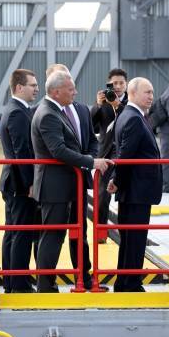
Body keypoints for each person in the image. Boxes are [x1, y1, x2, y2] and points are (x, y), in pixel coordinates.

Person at [31, 71, 112, 293]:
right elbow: (58, 150)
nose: (75, 92)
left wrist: (89, 158)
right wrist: (91, 162)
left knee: (74, 233)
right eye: (70, 89)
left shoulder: (56, 111)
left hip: (68, 184)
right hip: (55, 186)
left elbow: (83, 141)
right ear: (56, 92)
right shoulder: (48, 114)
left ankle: (75, 279)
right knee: (53, 235)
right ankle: (45, 286)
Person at [107, 77, 162, 292]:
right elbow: (126, 155)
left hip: (133, 188)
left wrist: (115, 179)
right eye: (147, 92)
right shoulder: (133, 118)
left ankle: (125, 280)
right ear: (133, 93)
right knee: (135, 239)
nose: (151, 96)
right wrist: (117, 180)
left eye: (152, 92)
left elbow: (122, 152)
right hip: (136, 189)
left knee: (130, 239)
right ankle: (130, 283)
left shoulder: (128, 115)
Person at [0, 69, 39, 293]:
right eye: (32, 85)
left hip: (13, 181)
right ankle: (20, 284)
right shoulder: (17, 113)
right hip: (19, 184)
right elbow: (22, 152)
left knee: (13, 233)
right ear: (19, 87)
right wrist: (29, 183)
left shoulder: (16, 110)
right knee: (21, 234)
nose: (36, 89)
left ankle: (11, 281)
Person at [90, 68, 129, 242]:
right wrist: (97, 105)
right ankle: (100, 234)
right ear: (109, 84)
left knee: (125, 197)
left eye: (121, 83)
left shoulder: (132, 101)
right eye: (114, 83)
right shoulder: (103, 102)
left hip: (124, 154)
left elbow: (131, 117)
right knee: (101, 197)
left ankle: (125, 233)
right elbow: (91, 126)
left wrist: (117, 106)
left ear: (126, 84)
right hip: (105, 154)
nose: (118, 86)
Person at [149, 72, 169, 193]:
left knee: (166, 159)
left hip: (165, 132)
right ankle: (164, 185)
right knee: (166, 160)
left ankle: (163, 184)